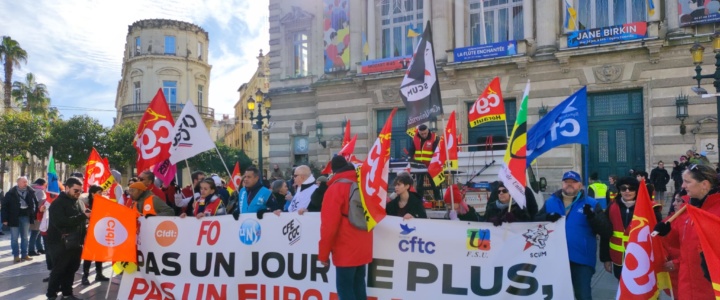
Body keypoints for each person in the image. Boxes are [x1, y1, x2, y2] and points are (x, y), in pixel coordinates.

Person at [535, 171, 611, 300]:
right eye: (566, 182)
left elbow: (606, 230)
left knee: (583, 295)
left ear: (580, 185)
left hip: (581, 259)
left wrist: (593, 216)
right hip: (555, 258)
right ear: (562, 184)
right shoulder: (550, 202)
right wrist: (546, 217)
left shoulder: (591, 203)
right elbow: (534, 222)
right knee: (557, 295)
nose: (569, 185)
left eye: (573, 182)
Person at [654, 164, 720, 299]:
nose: (683, 186)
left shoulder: (716, 213)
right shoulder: (689, 209)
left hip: (709, 289)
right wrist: (665, 232)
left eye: (687, 181)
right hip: (687, 285)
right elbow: (680, 243)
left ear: (704, 185)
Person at [318, 154, 372, 300]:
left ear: (334, 171)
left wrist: (323, 254)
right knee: (359, 286)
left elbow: (329, 226)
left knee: (345, 289)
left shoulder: (336, 188)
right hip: (363, 245)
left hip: (345, 247)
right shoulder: (363, 185)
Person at [599, 177, 662, 280]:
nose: (627, 191)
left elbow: (658, 235)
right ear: (620, 190)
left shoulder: (650, 208)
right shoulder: (612, 207)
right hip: (618, 259)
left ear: (637, 191)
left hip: (642, 259)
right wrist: (606, 259)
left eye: (631, 188)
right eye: (624, 188)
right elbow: (605, 234)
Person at [46, 177, 89, 300]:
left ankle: (67, 293)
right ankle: (51, 294)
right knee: (59, 269)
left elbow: (80, 220)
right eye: (76, 190)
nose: (78, 193)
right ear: (67, 188)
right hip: (60, 243)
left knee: (72, 269)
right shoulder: (57, 203)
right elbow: (61, 222)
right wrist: (82, 216)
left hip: (77, 242)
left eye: (80, 191)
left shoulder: (80, 202)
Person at [1, 176, 38, 262]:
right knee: (14, 238)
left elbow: (35, 203)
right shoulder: (10, 193)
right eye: (24, 182)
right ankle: (16, 255)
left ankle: (24, 255)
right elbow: (4, 206)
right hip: (13, 217)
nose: (26, 183)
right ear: (18, 183)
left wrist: (33, 214)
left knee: (25, 237)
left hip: (26, 216)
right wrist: (5, 219)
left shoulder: (30, 192)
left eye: (26, 182)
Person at [81, 185, 109, 285]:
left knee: (99, 254)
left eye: (102, 193)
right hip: (90, 231)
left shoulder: (103, 203)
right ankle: (85, 276)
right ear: (92, 194)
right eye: (99, 193)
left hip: (101, 230)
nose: (101, 195)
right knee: (89, 255)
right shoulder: (86, 203)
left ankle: (99, 274)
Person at [661, 191, 687, 296]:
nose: (674, 204)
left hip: (683, 270)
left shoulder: (692, 221)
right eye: (674, 200)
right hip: (671, 269)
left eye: (678, 201)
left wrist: (676, 262)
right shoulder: (670, 219)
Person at [408, 124, 441, 200]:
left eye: (425, 133)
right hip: (419, 166)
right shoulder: (415, 138)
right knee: (419, 186)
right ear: (419, 132)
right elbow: (411, 150)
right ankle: (419, 202)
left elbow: (437, 151)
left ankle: (438, 201)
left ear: (428, 131)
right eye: (421, 134)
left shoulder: (434, 138)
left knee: (435, 185)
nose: (423, 135)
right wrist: (409, 159)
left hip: (431, 166)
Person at [29, 178, 47, 256]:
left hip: (32, 214)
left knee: (37, 232)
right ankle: (31, 250)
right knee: (36, 232)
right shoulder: (40, 191)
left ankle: (39, 248)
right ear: (42, 184)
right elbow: (41, 204)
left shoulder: (30, 189)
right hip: (38, 214)